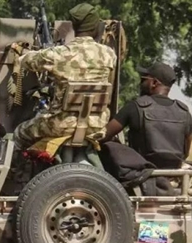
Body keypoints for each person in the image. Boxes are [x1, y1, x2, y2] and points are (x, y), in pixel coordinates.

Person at [101, 62, 192, 243]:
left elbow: (104, 134)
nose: (141, 82)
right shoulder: (184, 112)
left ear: (154, 83)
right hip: (175, 176)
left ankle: (149, 241)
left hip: (143, 176)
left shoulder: (135, 107)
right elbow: (186, 151)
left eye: (144, 79)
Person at [10, 2, 117, 150]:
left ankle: (18, 171)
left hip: (60, 125)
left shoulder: (58, 54)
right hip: (96, 125)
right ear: (95, 27)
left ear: (73, 26)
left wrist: (27, 52)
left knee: (19, 132)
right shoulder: (109, 55)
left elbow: (26, 61)